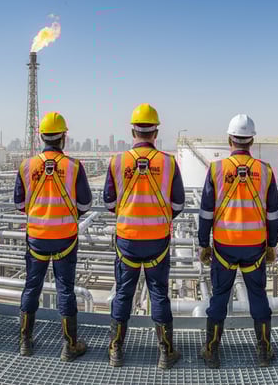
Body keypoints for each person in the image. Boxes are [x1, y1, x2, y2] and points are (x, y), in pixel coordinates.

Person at [103, 103, 185, 369]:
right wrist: (158, 216)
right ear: (156, 131)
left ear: (132, 131)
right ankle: (165, 352)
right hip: (157, 241)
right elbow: (179, 204)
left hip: (127, 240)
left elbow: (108, 201)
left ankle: (116, 350)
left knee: (124, 293)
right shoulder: (169, 162)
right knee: (159, 293)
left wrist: (129, 211)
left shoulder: (117, 162)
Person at [198, 114, 278, 368]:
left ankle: (212, 351)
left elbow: (206, 212)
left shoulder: (216, 169)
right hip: (255, 246)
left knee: (220, 297)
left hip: (224, 246)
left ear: (229, 139)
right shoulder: (265, 170)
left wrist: (204, 243)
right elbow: (273, 213)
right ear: (251, 140)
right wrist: (272, 244)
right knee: (258, 296)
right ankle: (264, 351)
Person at [15, 112, 92, 362]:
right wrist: (67, 213)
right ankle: (69, 345)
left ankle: (25, 341)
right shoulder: (74, 166)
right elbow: (86, 203)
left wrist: (40, 211)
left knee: (32, 287)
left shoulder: (27, 166)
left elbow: (19, 204)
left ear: (41, 137)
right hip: (65, 238)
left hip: (36, 237)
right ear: (64, 137)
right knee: (65, 291)